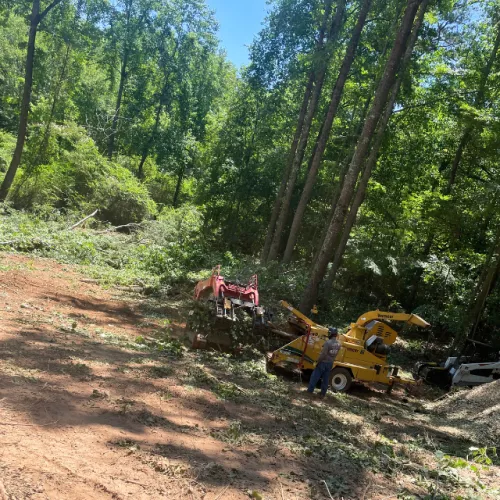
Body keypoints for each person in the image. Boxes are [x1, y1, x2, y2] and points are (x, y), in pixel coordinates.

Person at [307, 327, 341, 398]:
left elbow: (323, 354)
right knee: (326, 379)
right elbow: (336, 354)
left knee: (315, 376)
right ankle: (322, 394)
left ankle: (310, 391)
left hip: (323, 362)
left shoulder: (328, 343)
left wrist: (317, 361)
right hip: (330, 363)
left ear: (331, 334)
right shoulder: (338, 344)